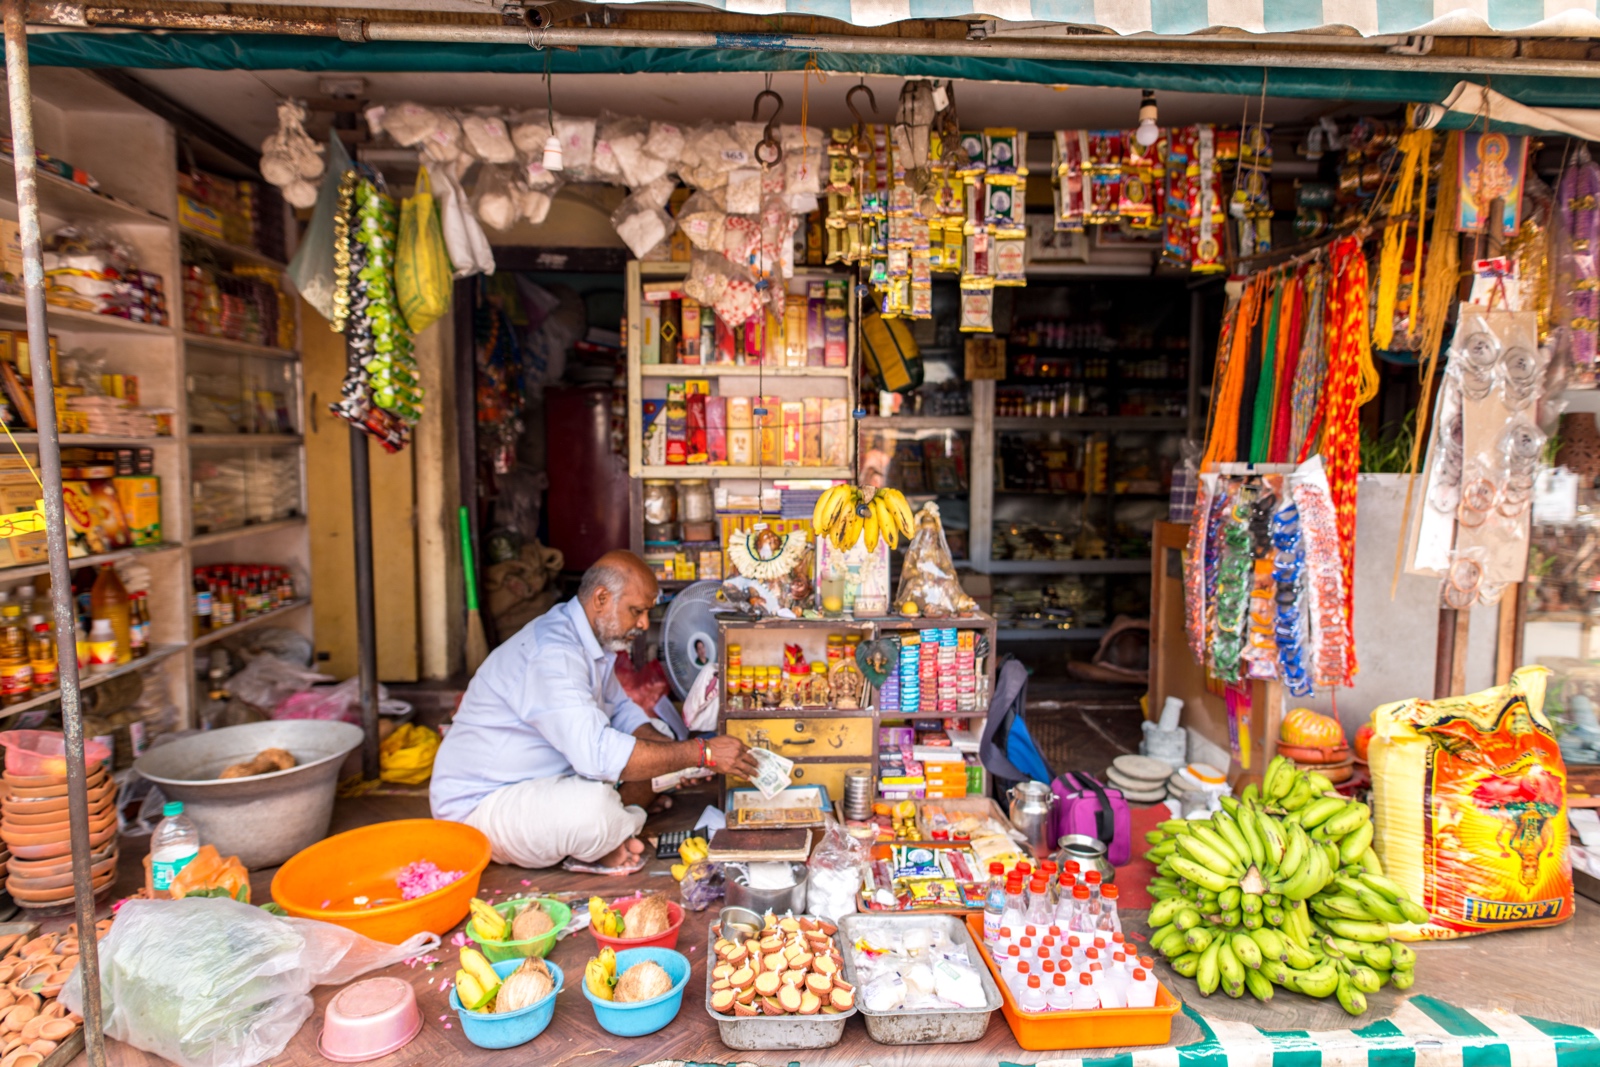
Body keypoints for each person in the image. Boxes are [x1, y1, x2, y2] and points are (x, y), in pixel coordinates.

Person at [431, 550, 759, 870]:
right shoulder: (553, 655)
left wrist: (679, 757)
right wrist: (700, 753)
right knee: (594, 811)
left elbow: (622, 714)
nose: (644, 624)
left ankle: (620, 823)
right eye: (636, 611)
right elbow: (598, 756)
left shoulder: (586, 640)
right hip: (480, 807)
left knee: (657, 740)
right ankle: (613, 829)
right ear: (601, 599)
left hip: (546, 779)